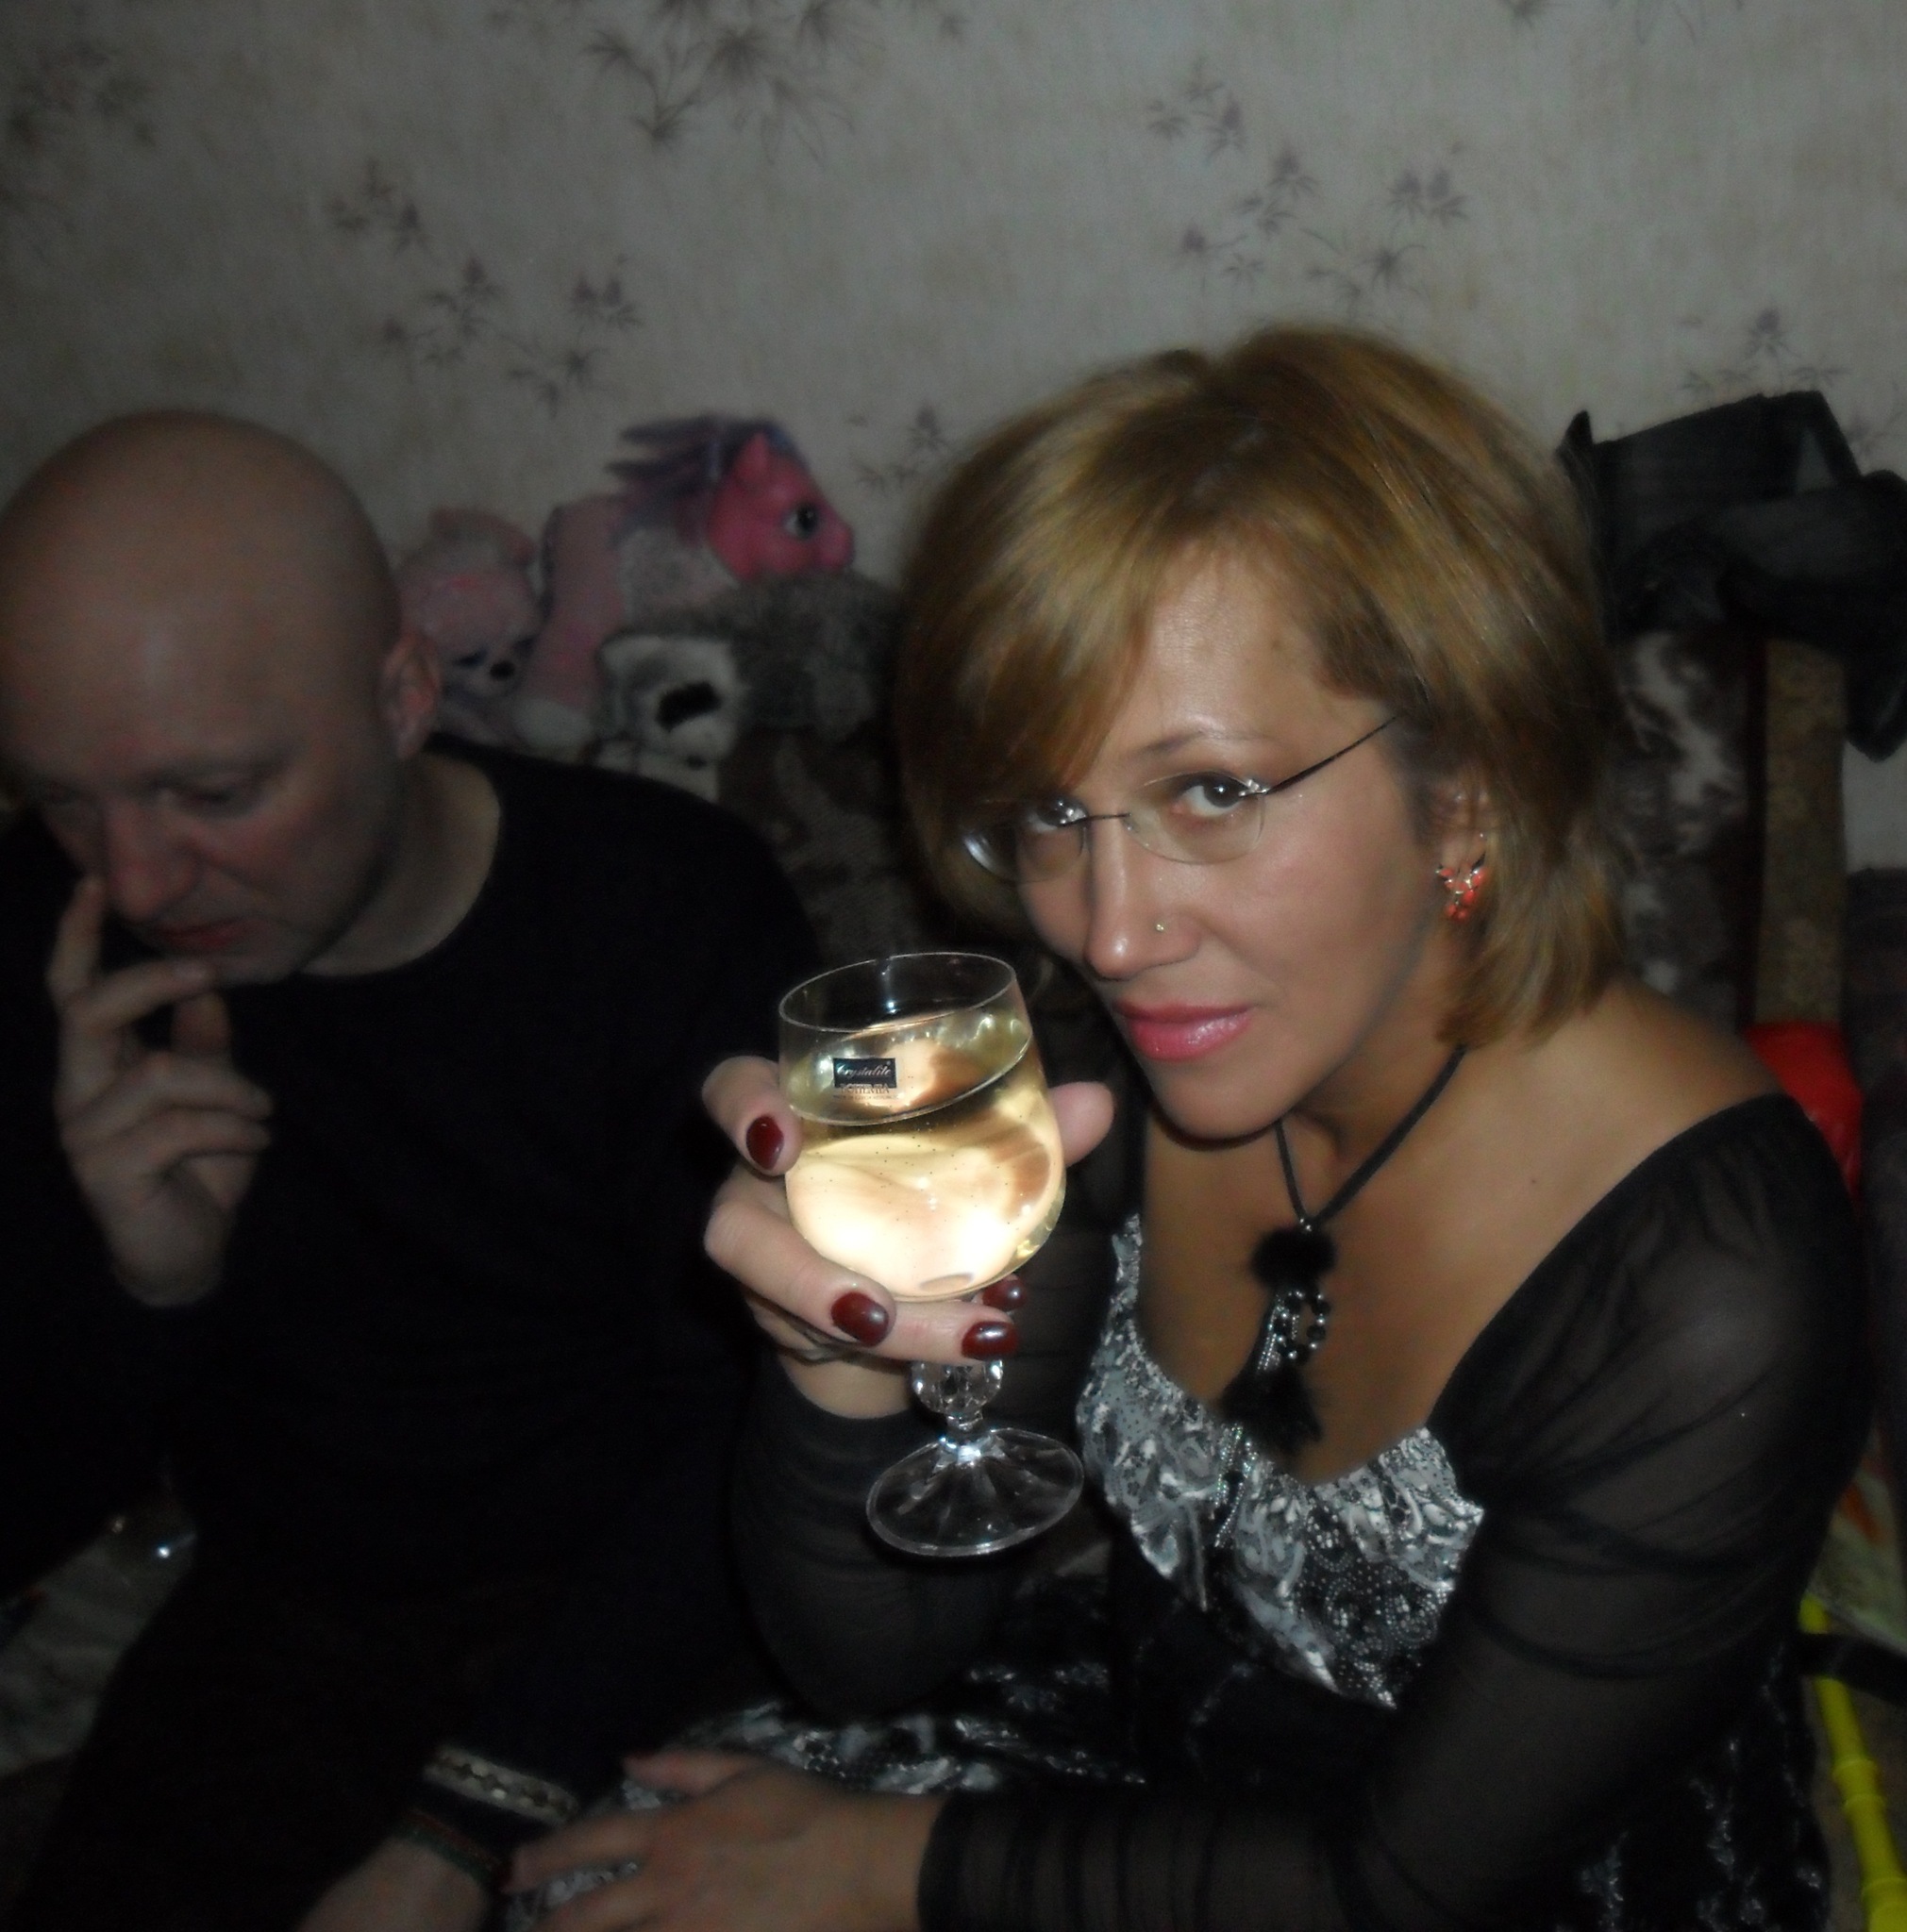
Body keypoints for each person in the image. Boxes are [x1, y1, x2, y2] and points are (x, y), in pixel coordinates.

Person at [507, 329, 1868, 1932]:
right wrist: (834, 1365)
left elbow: (1404, 1886)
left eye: (1212, 794)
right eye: (1049, 811)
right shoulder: (1109, 1075)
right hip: (1166, 1773)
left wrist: (877, 1866)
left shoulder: (1706, 1281)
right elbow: (873, 1654)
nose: (1105, 929)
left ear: (1467, 785)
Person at [0, 412, 814, 1931]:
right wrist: (145, 1289)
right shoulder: (54, 944)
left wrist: (465, 1822)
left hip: (654, 1611)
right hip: (284, 1618)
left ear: (401, 694)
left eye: (213, 794)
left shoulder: (658, 910)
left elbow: (747, 1433)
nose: (136, 879)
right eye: (62, 799)